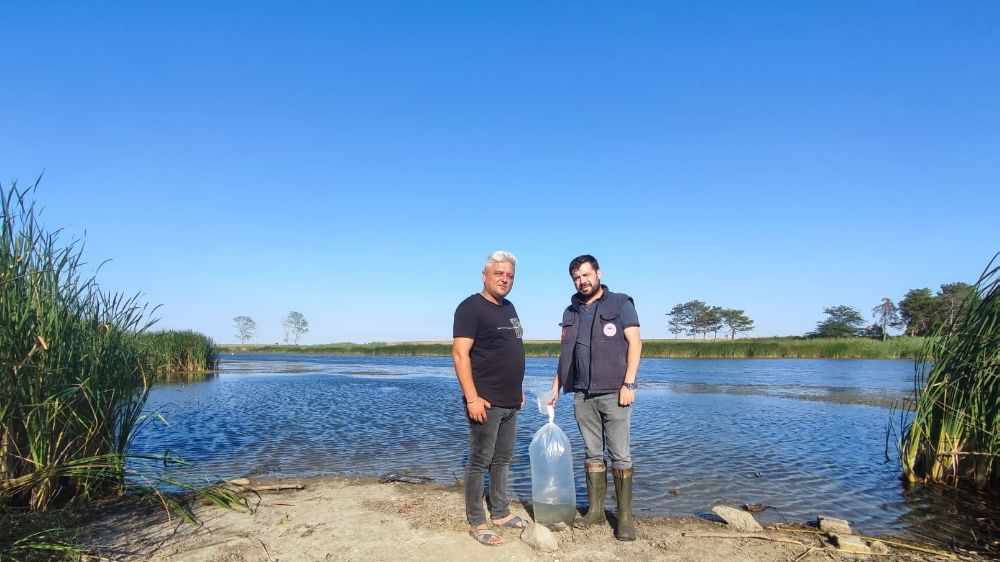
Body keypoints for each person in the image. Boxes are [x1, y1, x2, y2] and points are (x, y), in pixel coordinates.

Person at [548, 254, 642, 541]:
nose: (582, 281)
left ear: (598, 273)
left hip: (615, 392)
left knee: (620, 454)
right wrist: (555, 387)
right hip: (582, 394)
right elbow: (566, 354)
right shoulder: (571, 311)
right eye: (577, 277)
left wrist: (630, 384)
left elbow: (635, 344)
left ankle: (624, 517)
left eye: (586, 275)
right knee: (592, 453)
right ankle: (596, 511)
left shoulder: (621, 303)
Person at [452, 250, 527, 546]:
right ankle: (476, 520)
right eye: (499, 274)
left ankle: (500, 512)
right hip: (485, 401)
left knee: (503, 459)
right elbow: (460, 354)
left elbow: (509, 350)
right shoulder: (471, 307)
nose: (504, 279)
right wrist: (471, 397)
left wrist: (517, 387)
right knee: (479, 460)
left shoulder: (509, 307)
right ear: (485, 276)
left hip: (510, 400)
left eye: (509, 276)